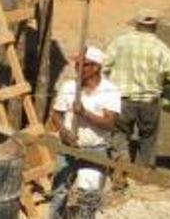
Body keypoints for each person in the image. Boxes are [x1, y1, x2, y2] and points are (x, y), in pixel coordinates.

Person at [103, 8, 170, 188]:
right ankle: (142, 173)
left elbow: (104, 65)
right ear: (155, 26)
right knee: (148, 137)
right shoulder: (161, 47)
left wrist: (107, 85)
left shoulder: (120, 42)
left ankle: (119, 170)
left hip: (122, 100)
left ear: (137, 24)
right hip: (149, 102)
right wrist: (166, 85)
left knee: (120, 135)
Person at [49, 47, 121, 219]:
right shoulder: (68, 87)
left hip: (95, 150)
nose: (78, 68)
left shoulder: (110, 90)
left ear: (96, 67)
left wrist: (84, 113)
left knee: (89, 195)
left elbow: (110, 124)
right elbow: (56, 115)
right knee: (59, 191)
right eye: (76, 64)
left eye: (83, 65)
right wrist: (64, 132)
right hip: (67, 147)